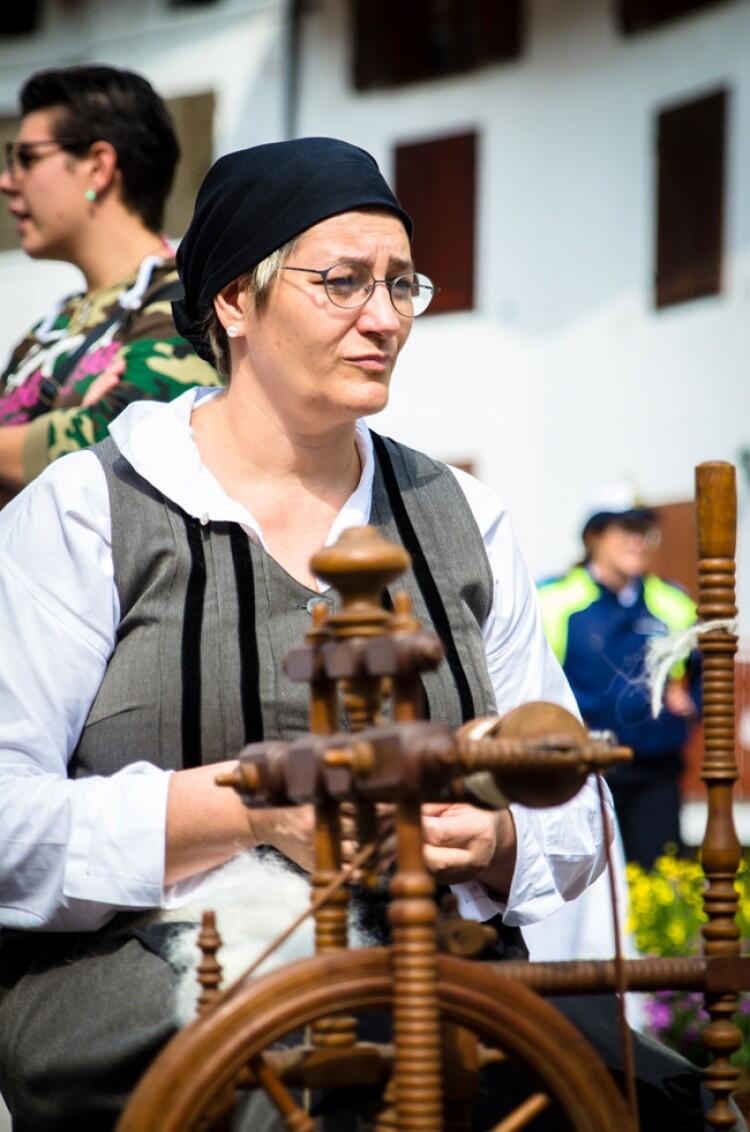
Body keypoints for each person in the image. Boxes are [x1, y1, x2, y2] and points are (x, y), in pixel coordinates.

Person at [0, 141, 722, 1130]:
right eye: (342, 282)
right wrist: (245, 812)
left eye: (401, 284)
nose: (383, 319)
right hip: (162, 1003)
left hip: (443, 992)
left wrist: (497, 837)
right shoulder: (86, 514)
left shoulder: (460, 515)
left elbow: (572, 796)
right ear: (233, 302)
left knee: (669, 1109)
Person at [0, 64, 216, 506]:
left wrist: (76, 425)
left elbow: (119, 444)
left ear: (98, 166)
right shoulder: (53, 326)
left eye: (26, 158)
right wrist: (61, 421)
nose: (7, 182)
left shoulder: (185, 302)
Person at [537, 487, 698, 868]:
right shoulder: (553, 600)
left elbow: (702, 674)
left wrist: (690, 701)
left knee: (659, 889)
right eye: (625, 529)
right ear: (594, 537)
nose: (638, 540)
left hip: (654, 774)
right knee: (590, 901)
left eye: (644, 530)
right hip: (580, 776)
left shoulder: (673, 603)